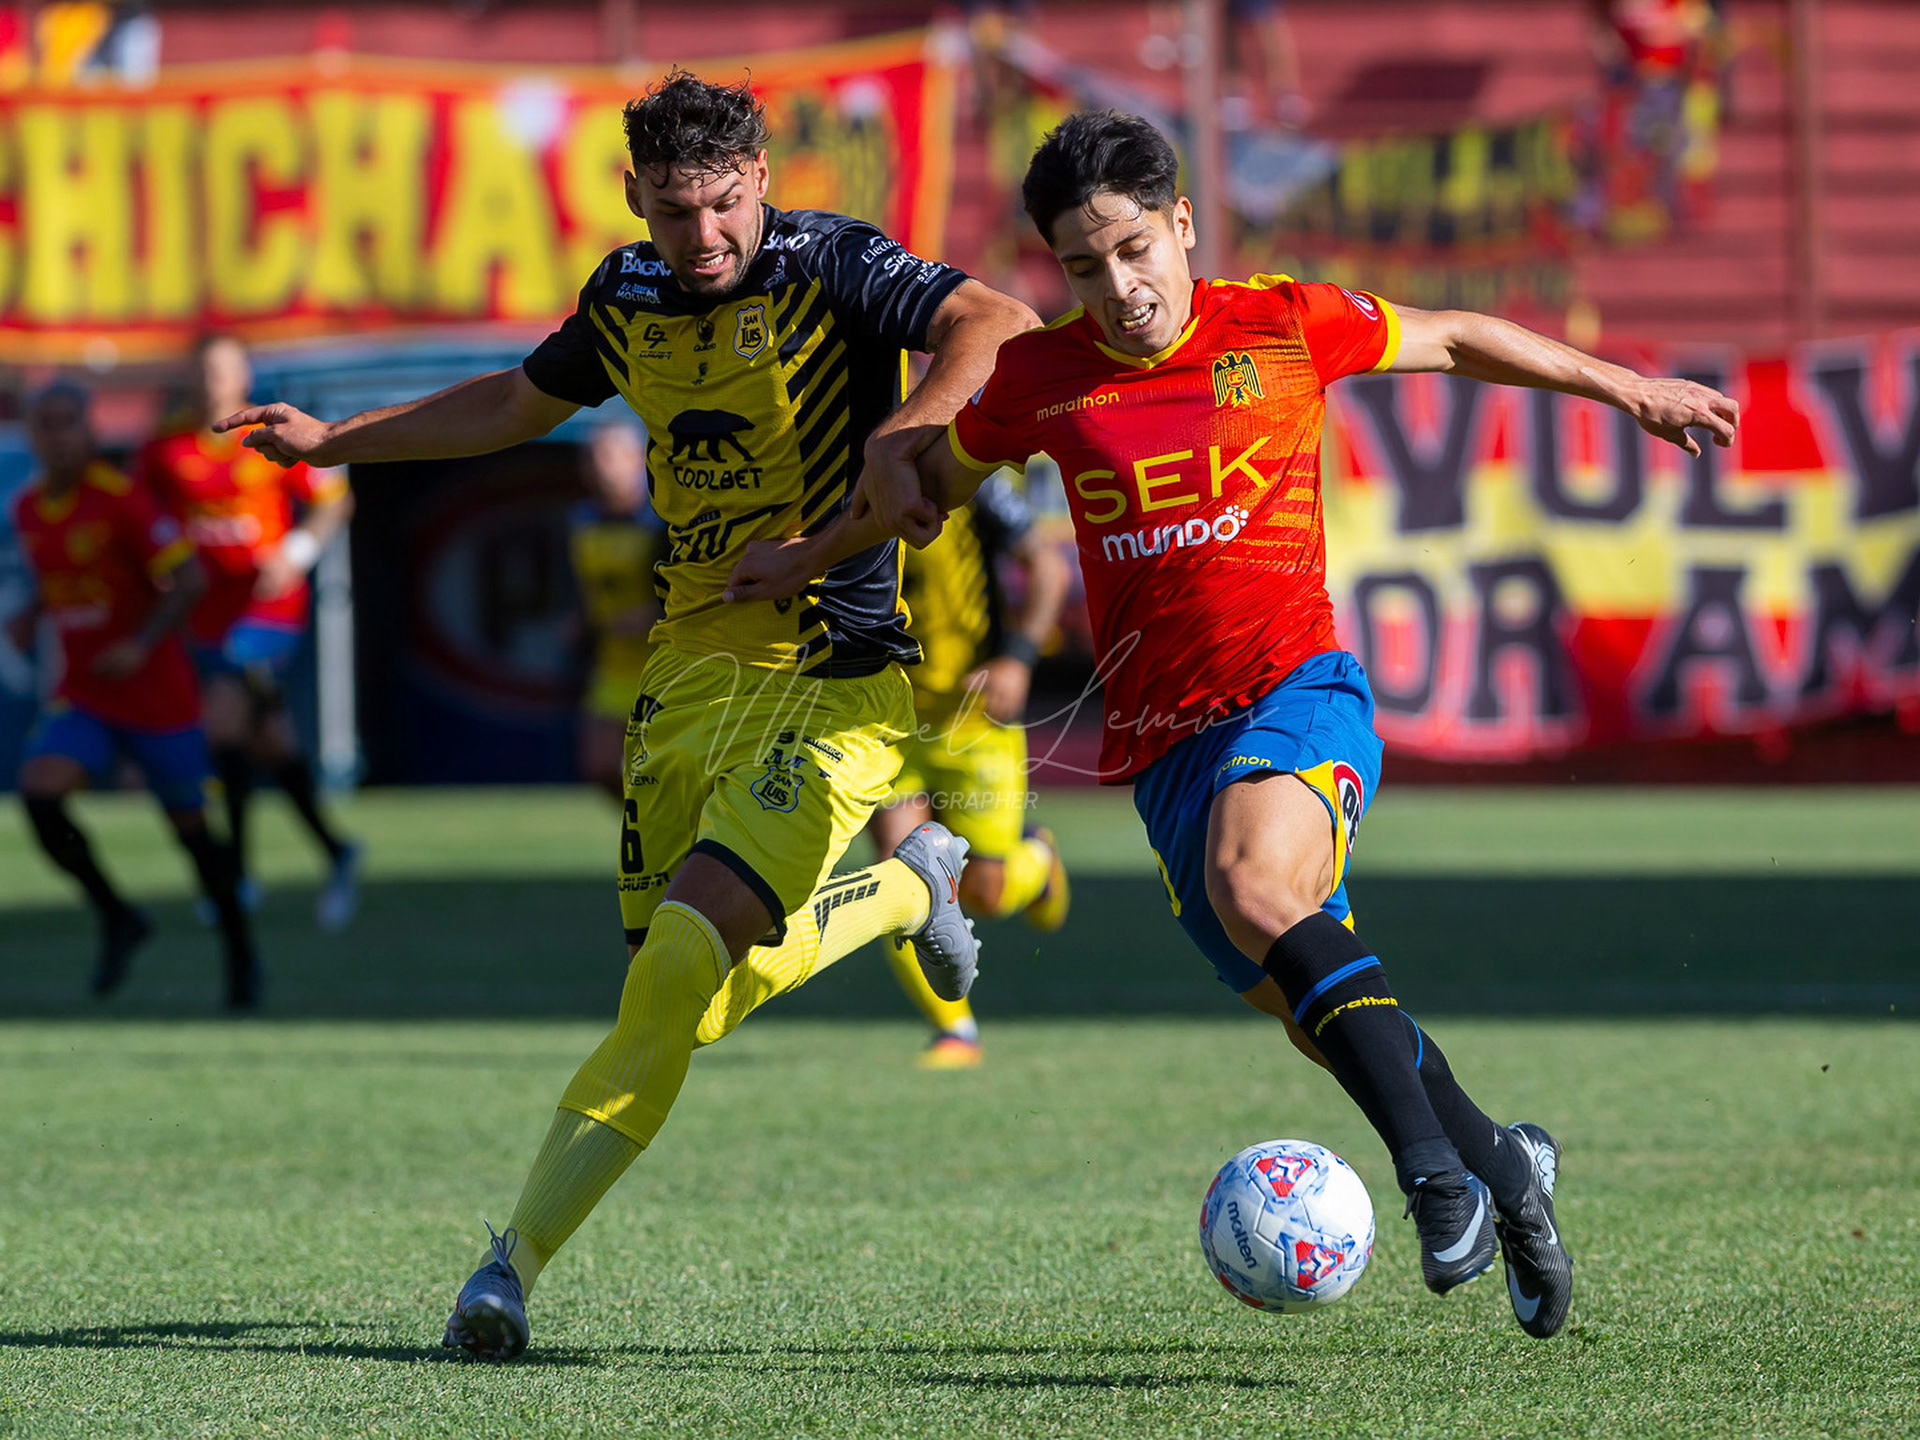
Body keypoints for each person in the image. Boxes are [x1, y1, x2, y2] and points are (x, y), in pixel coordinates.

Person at [726, 110, 1743, 1340]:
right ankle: (1507, 1169)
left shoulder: (1281, 322)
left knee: (1258, 888)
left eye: (1137, 249)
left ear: (1183, 226)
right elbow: (927, 488)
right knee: (1323, 1021)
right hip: (1165, 750)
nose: (1122, 286)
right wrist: (809, 551)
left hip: (1295, 688)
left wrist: (1628, 387)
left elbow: (1462, 337)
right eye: (1085, 266)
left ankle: (1434, 1184)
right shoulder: (1043, 378)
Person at [213, 69, 1038, 1361]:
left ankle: (507, 1270)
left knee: (672, 976)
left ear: (761, 176)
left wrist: (902, 442)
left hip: (832, 676)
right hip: (682, 678)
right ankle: (899, 889)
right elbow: (511, 402)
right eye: (670, 210)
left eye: (719, 205)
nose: (700, 238)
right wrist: (336, 444)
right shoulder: (627, 293)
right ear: (631, 197)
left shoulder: (834, 266)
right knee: (689, 1004)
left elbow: (1001, 314)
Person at [8, 381, 262, 1009]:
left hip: (156, 696)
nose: (56, 434)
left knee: (195, 837)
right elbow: (67, 572)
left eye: (68, 422)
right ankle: (118, 914)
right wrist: (31, 612)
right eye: (45, 424)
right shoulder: (29, 507)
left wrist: (141, 645)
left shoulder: (122, 500)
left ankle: (240, 953)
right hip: (86, 692)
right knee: (40, 793)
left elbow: (189, 580)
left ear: (90, 432)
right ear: (30, 434)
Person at [138, 334, 361, 931]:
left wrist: (298, 550)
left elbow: (334, 499)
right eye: (206, 371)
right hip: (204, 612)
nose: (215, 382)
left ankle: (233, 875)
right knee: (270, 742)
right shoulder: (167, 447)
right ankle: (337, 851)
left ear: (244, 376)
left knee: (226, 720)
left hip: (267, 608)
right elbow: (142, 518)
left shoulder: (266, 435)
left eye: (226, 370)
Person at [871, 467, 1073, 1069]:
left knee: (981, 894)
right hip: (887, 719)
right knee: (898, 880)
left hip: (974, 719)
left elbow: (1050, 569)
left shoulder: (970, 482)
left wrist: (1017, 659)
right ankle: (956, 1031)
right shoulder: (844, 479)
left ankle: (1037, 864)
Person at [568, 422, 665, 799]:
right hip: (612, 662)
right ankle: (654, 830)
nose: (597, 466)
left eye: (607, 456)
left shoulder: (662, 518)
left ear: (636, 460)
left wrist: (654, 615)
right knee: (600, 765)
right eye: (590, 458)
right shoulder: (582, 520)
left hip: (665, 663)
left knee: (673, 769)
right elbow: (587, 586)